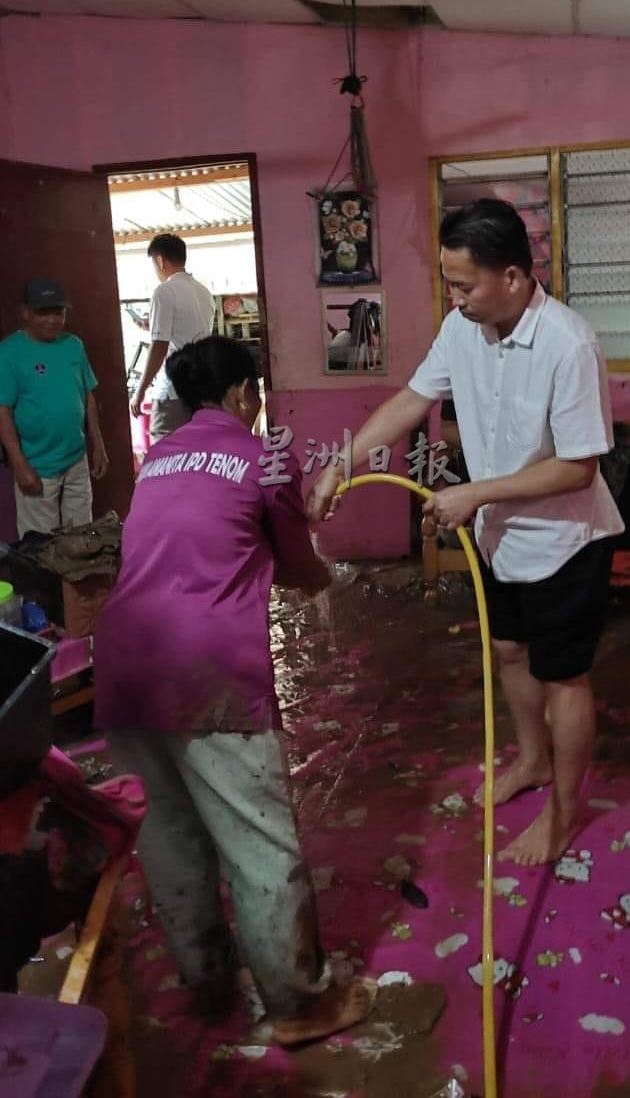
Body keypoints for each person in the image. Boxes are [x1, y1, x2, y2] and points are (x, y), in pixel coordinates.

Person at [308, 199, 623, 868]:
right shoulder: (462, 330)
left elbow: (577, 466)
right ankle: (532, 762)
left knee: (562, 676)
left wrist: (473, 493)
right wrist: (345, 459)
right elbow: (412, 398)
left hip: (566, 539)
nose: (454, 298)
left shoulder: (568, 343)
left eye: (463, 284)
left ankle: (564, 814)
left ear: (512, 275)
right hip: (499, 534)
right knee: (509, 653)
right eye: (448, 284)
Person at [94, 336, 375, 1042]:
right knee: (259, 845)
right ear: (245, 395)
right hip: (207, 673)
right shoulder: (262, 459)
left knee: (171, 838)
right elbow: (295, 565)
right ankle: (298, 1005)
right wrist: (334, 580)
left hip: (124, 663)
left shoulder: (157, 459)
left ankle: (209, 985)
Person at [0, 280, 108, 539]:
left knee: (81, 538)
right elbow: (2, 412)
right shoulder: (8, 352)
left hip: (76, 460)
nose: (52, 320)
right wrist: (19, 465)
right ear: (25, 312)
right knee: (40, 545)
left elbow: (87, 395)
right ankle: (47, 582)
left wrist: (98, 445)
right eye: (42, 312)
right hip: (36, 464)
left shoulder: (74, 345)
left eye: (58, 312)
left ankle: (75, 582)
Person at [130, 233, 215, 443]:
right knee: (197, 451)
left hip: (173, 389)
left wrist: (140, 391)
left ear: (160, 260)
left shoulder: (164, 291)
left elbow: (159, 346)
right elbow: (188, 331)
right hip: (201, 387)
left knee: (166, 451)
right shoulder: (204, 293)